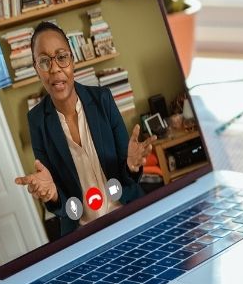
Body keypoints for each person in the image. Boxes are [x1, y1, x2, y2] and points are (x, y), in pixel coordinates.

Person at [15, 20, 154, 235]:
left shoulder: (103, 99)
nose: (54, 69)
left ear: (72, 59)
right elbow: (60, 201)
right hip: (82, 234)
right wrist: (52, 194)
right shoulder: (37, 121)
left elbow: (126, 176)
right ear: (36, 69)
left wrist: (132, 166)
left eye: (61, 57)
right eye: (44, 62)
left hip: (129, 215)